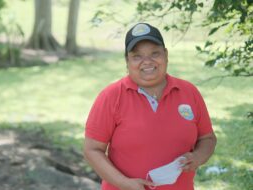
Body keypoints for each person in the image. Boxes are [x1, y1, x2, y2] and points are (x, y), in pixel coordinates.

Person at [83, 22, 217, 190]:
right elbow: (92, 150)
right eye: (137, 56)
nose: (147, 61)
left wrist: (197, 157)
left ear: (166, 55)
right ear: (127, 60)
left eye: (155, 53)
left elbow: (207, 138)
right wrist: (124, 183)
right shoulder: (111, 96)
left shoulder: (189, 92)